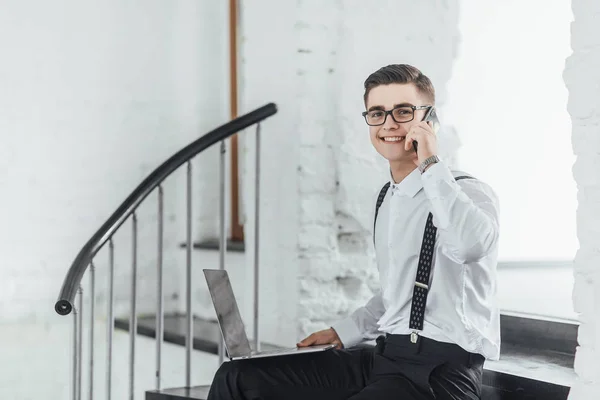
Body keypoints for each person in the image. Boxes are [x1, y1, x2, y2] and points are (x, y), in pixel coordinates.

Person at [206, 64, 500, 400]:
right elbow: (397, 296)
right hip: (384, 358)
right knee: (237, 377)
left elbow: (469, 246)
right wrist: (343, 331)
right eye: (377, 113)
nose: (389, 123)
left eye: (403, 111)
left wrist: (431, 161)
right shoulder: (388, 198)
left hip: (440, 374)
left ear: (429, 120)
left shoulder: (469, 193)